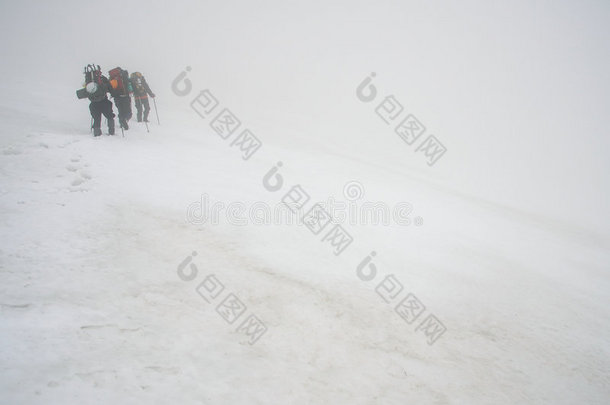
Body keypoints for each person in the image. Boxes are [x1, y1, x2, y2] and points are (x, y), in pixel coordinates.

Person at [82, 65, 115, 136]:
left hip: (93, 103)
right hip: (104, 102)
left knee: (96, 118)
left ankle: (97, 133)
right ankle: (111, 132)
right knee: (109, 116)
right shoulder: (103, 78)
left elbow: (86, 91)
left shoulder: (88, 81)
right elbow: (110, 88)